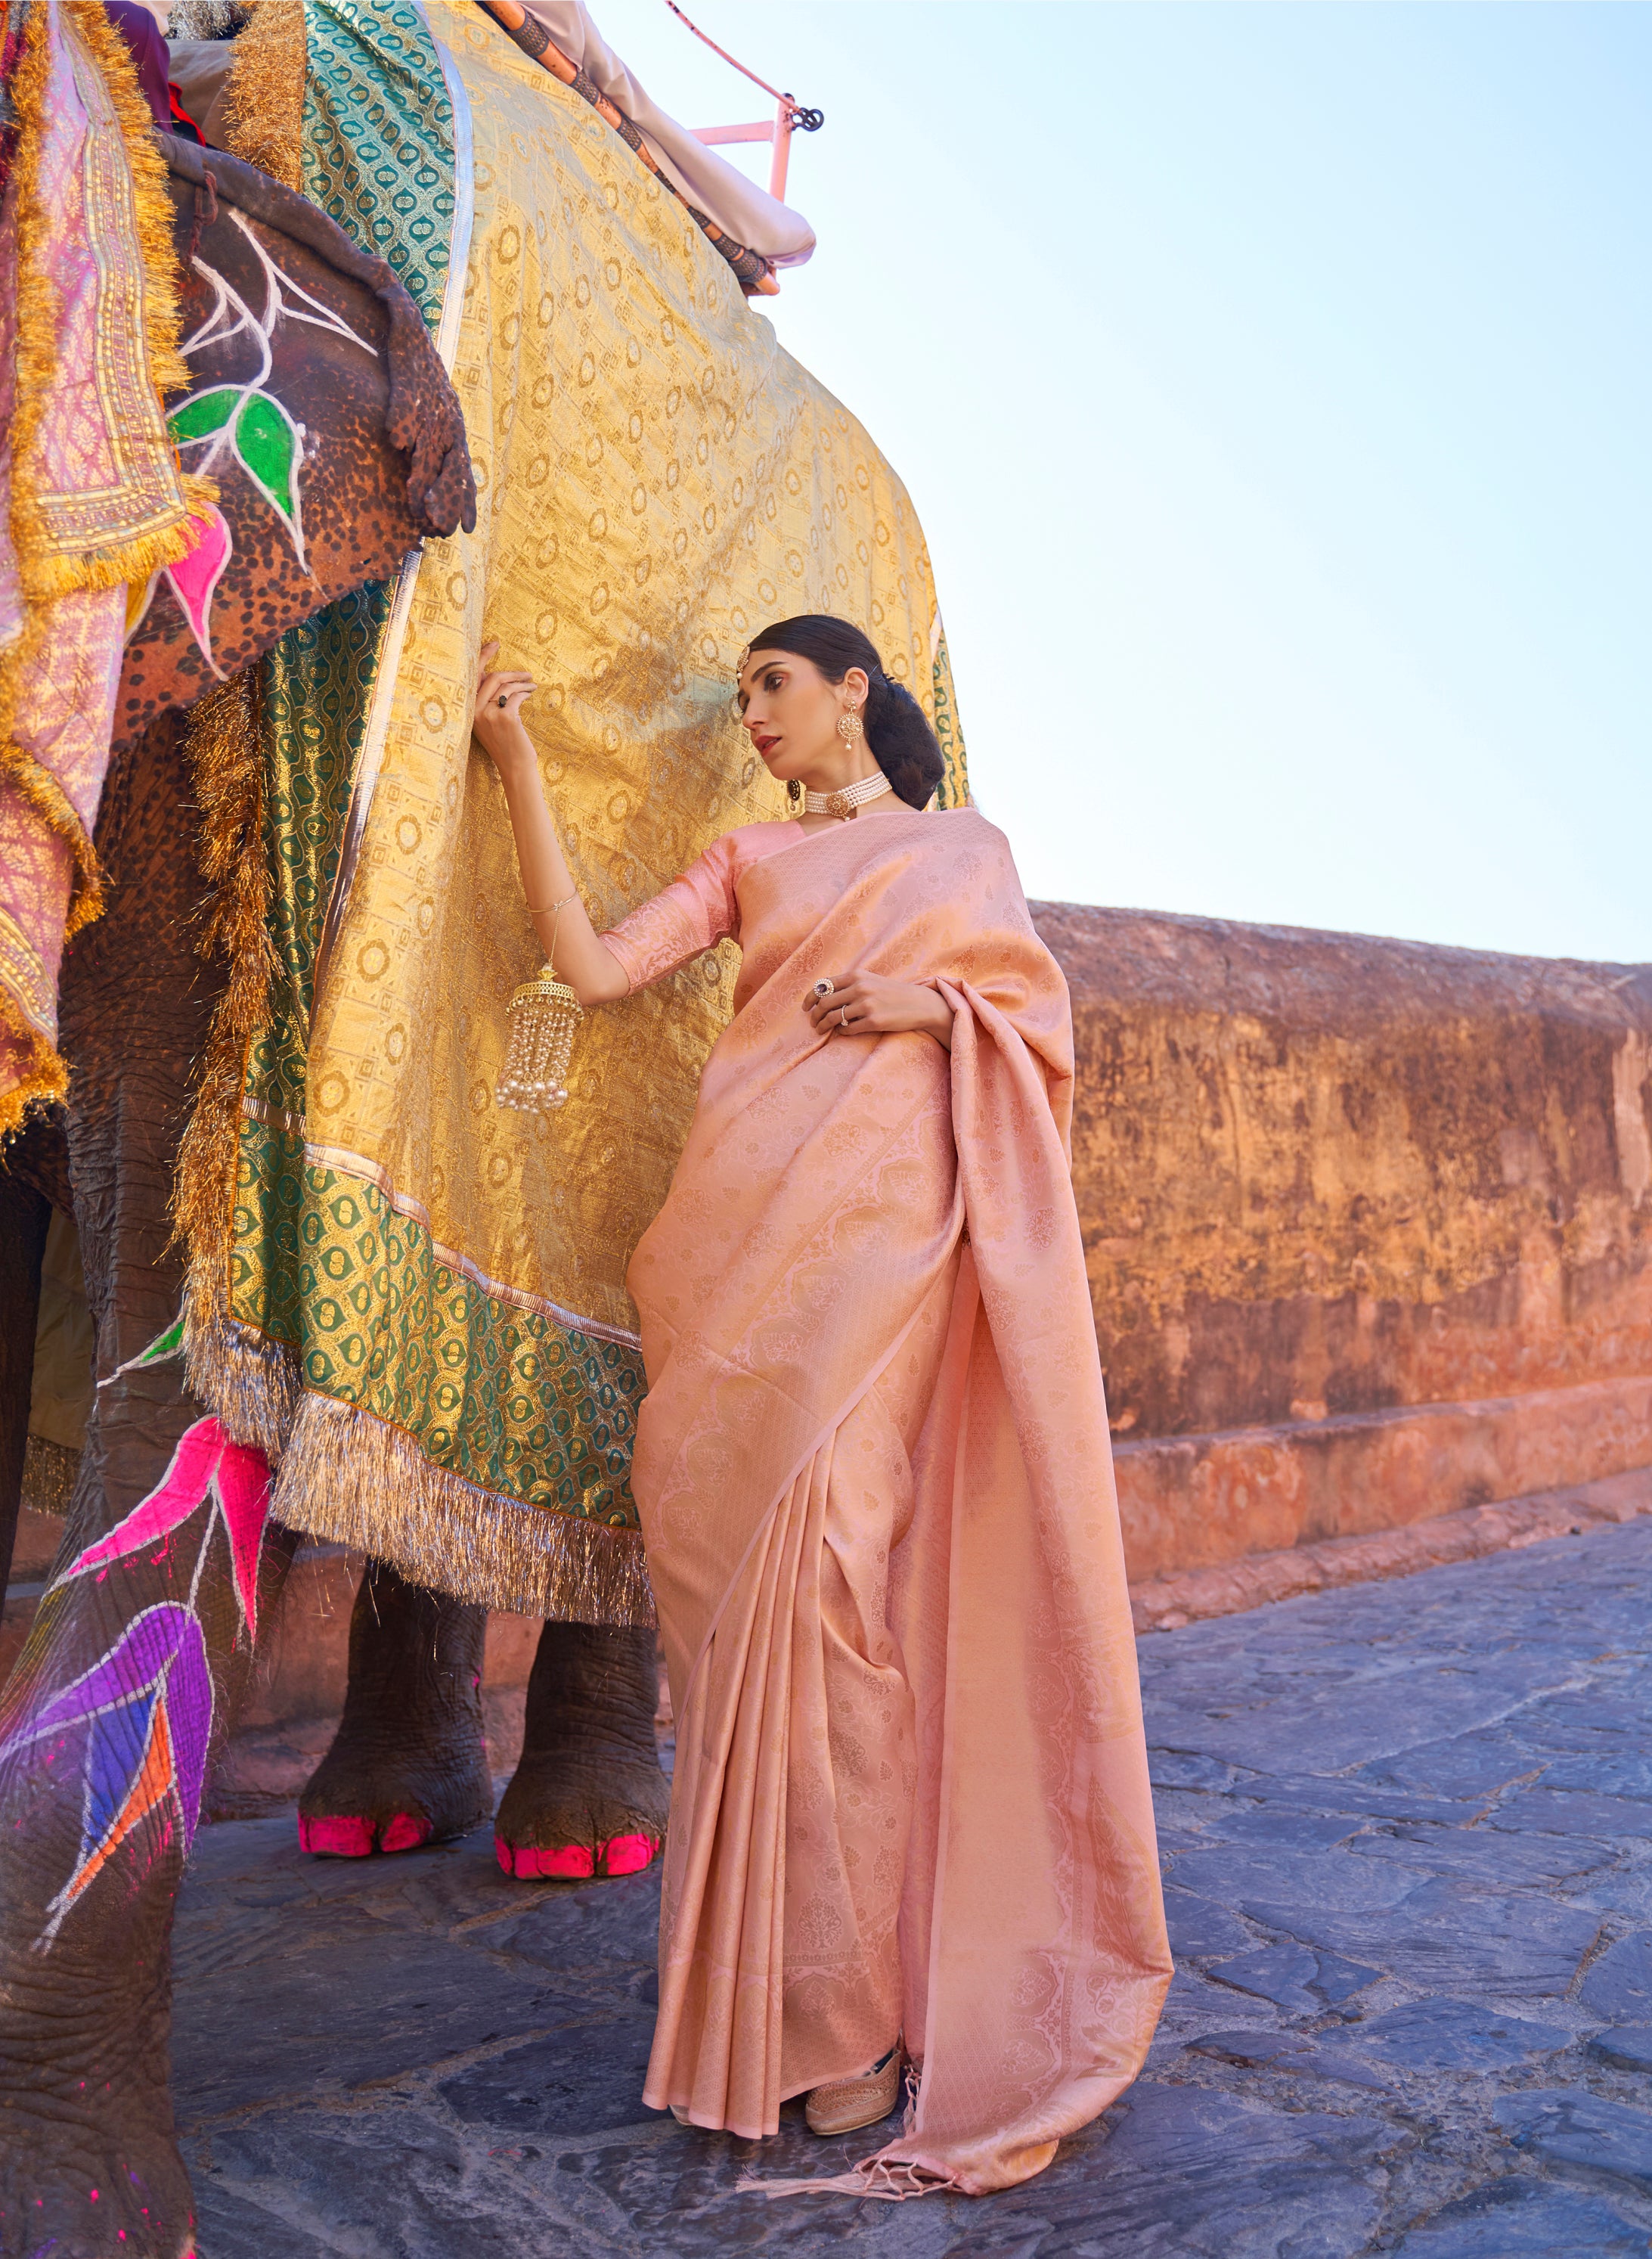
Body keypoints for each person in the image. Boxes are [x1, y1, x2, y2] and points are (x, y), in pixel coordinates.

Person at [472, 614, 1171, 2198]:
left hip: (887, 1243)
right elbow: (591, 969)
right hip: (737, 1252)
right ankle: (777, 2020)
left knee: (841, 1598)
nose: (758, 718)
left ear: (855, 685)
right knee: (744, 1642)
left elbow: (1035, 1028)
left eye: (775, 687)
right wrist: (515, 760)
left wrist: (933, 1011)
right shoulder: (747, 858)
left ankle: (852, 2022)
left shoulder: (966, 849)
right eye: (743, 701)